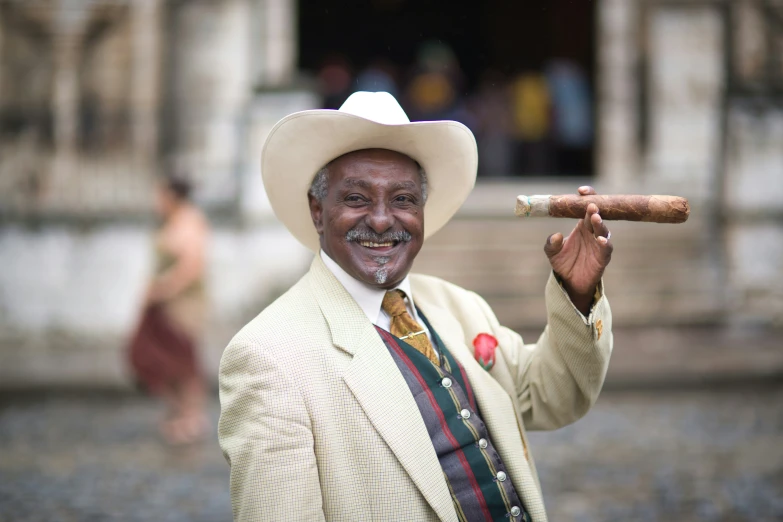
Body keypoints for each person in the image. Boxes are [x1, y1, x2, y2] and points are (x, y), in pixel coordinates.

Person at [218, 92, 614, 521]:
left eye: (403, 199)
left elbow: (552, 397)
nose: (384, 219)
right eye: (356, 198)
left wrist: (577, 292)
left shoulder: (460, 307)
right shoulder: (269, 357)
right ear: (318, 211)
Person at [129, 175, 210, 445]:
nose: (157, 202)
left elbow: (191, 267)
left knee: (185, 361)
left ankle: (192, 417)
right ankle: (178, 411)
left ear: (173, 196)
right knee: (156, 357)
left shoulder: (190, 221)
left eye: (160, 196)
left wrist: (163, 289)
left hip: (183, 303)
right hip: (162, 302)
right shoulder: (170, 221)